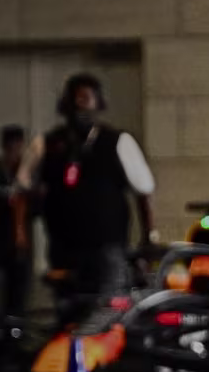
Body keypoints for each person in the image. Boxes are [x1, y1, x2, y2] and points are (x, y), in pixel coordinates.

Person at [11, 73, 157, 325]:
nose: (80, 105)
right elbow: (21, 190)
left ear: (98, 103)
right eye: (75, 98)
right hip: (63, 249)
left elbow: (144, 191)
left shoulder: (118, 142)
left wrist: (148, 237)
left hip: (108, 248)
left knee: (106, 316)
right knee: (68, 316)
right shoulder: (46, 144)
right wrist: (20, 233)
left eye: (86, 98)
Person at [1, 126, 28, 330]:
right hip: (2, 236)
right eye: (12, 147)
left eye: (19, 147)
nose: (15, 152)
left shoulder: (25, 172)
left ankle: (15, 329)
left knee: (19, 288)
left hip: (20, 238)